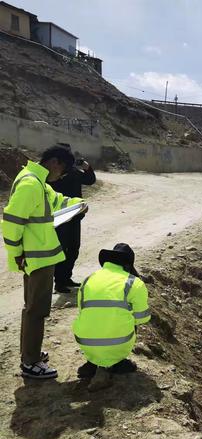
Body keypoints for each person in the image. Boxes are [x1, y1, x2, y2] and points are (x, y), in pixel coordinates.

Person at [1, 145, 85, 379]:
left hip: (41, 257)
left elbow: (55, 201)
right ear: (56, 163)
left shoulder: (37, 182)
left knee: (32, 308)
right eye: (63, 172)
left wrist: (77, 204)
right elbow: (11, 222)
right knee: (36, 310)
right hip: (36, 258)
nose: (61, 177)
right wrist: (16, 252)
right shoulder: (30, 184)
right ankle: (31, 362)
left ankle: (30, 352)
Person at [73, 243, 151, 380]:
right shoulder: (133, 282)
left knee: (93, 317)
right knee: (130, 318)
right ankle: (118, 361)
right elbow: (142, 318)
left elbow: (82, 311)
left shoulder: (87, 280)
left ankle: (93, 361)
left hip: (86, 343)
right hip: (118, 343)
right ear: (127, 266)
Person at [48, 150, 96, 293]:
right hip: (59, 217)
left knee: (74, 248)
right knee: (61, 250)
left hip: (75, 216)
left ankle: (66, 278)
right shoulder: (50, 175)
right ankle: (59, 282)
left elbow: (90, 180)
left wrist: (87, 168)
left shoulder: (74, 172)